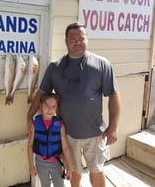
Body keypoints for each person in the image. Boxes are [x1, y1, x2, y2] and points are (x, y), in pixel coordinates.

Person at [27, 22, 121, 187]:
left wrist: (113, 126)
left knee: (97, 170)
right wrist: (29, 116)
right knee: (74, 170)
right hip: (67, 134)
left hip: (95, 133)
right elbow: (41, 93)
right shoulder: (55, 67)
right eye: (73, 38)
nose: (77, 42)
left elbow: (113, 95)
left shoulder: (102, 64)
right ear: (66, 41)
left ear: (87, 39)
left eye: (81, 38)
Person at [27, 92, 75, 187]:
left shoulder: (60, 124)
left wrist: (70, 167)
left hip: (56, 162)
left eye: (53, 106)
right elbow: (30, 146)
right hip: (40, 163)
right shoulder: (35, 124)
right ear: (40, 105)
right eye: (47, 106)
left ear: (57, 108)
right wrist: (31, 166)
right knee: (45, 185)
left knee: (59, 185)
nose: (50, 109)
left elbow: (65, 147)